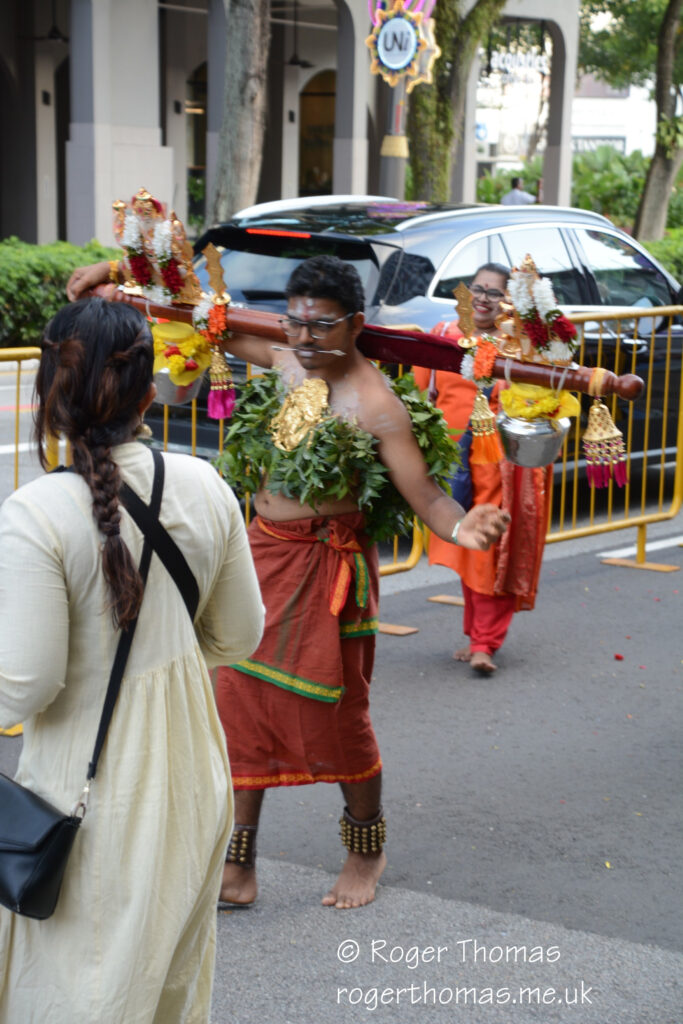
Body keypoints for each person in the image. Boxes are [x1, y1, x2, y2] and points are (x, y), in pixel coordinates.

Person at [66, 255, 509, 911]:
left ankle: (365, 847)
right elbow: (187, 317)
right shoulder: (280, 361)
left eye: (321, 326)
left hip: (330, 572)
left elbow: (425, 495)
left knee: (339, 720)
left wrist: (461, 525)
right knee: (237, 708)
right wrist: (114, 277)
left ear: (355, 324)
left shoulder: (376, 404)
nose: (304, 338)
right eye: (295, 323)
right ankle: (238, 863)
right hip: (257, 557)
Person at [0, 298, 264, 1022]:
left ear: (46, 394)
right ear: (151, 393)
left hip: (87, 797)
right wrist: (166, 653)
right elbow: (240, 636)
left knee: (78, 992)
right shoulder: (206, 486)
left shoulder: (35, 514)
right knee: (168, 990)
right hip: (194, 781)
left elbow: (20, 686)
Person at [413, 263, 551, 675]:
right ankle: (476, 633)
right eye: (479, 288)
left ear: (509, 302)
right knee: (466, 546)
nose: (485, 298)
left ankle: (483, 643)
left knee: (491, 548)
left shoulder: (520, 347)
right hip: (453, 458)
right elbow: (421, 396)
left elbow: (540, 396)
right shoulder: (443, 336)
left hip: (500, 464)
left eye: (495, 292)